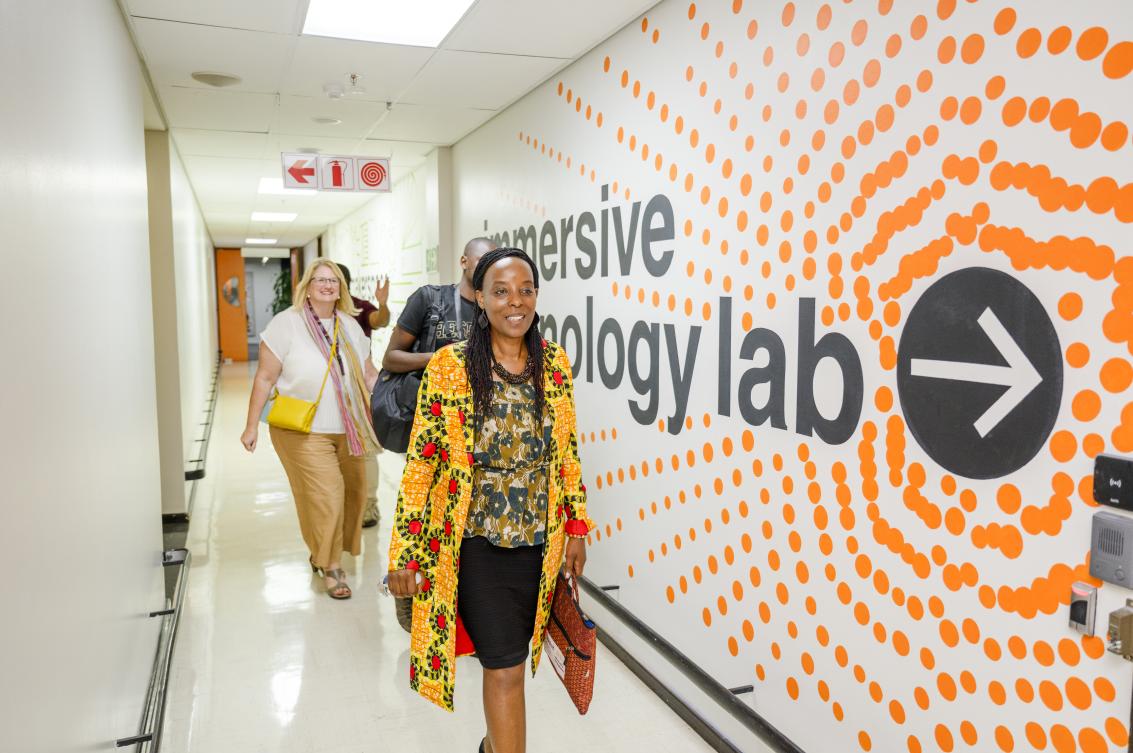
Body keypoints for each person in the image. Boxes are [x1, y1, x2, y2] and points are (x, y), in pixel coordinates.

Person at [387, 248, 593, 753]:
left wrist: (577, 526)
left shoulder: (554, 363)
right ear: (479, 297)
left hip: (539, 543)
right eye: (500, 291)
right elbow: (422, 466)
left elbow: (566, 450)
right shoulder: (449, 367)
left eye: (525, 289)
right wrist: (404, 556)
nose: (515, 301)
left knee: (515, 661)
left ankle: (492, 747)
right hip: (474, 543)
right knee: (504, 667)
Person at [240, 260, 380, 599]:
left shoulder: (349, 326)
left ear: (341, 288)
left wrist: (391, 402)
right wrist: (250, 426)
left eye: (333, 280)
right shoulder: (286, 324)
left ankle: (324, 551)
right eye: (320, 280)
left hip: (349, 428)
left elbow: (368, 373)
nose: (328, 285)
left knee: (354, 494)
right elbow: (265, 377)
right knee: (327, 495)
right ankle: (331, 566)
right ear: (308, 285)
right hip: (303, 429)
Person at [381, 236, 494, 630]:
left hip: (477, 440)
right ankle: (409, 603)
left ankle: (464, 612)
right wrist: (444, 358)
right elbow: (391, 357)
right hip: (429, 434)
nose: (484, 270)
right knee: (420, 516)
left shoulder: (495, 308)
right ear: (464, 260)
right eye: (479, 261)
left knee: (466, 530)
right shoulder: (430, 300)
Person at [338, 263, 391, 529]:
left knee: (366, 450)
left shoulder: (358, 308)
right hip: (326, 396)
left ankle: (369, 504)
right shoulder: (309, 314)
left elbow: (379, 321)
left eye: (334, 281)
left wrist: (382, 305)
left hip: (357, 390)